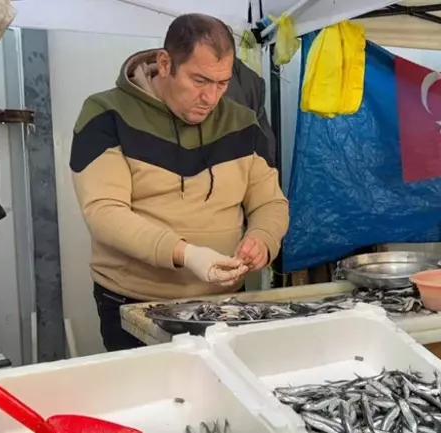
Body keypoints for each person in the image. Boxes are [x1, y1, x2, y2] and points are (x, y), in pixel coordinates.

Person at [70, 14, 289, 352]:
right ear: (165, 63)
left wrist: (263, 238)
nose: (211, 97)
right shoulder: (105, 115)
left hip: (226, 304)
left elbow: (269, 203)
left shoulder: (242, 122)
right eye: (199, 80)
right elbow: (105, 214)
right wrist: (186, 254)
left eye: (222, 83)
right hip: (137, 304)